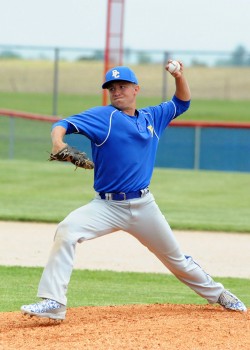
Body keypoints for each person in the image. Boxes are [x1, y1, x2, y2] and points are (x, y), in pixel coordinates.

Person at [21, 62, 247, 320]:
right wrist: (58, 141)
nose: (117, 91)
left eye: (122, 86)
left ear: (136, 89)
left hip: (144, 205)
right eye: (112, 88)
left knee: (176, 259)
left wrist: (179, 76)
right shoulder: (103, 116)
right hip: (106, 207)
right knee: (67, 230)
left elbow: (182, 103)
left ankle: (219, 294)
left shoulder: (153, 117)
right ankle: (54, 302)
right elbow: (62, 124)